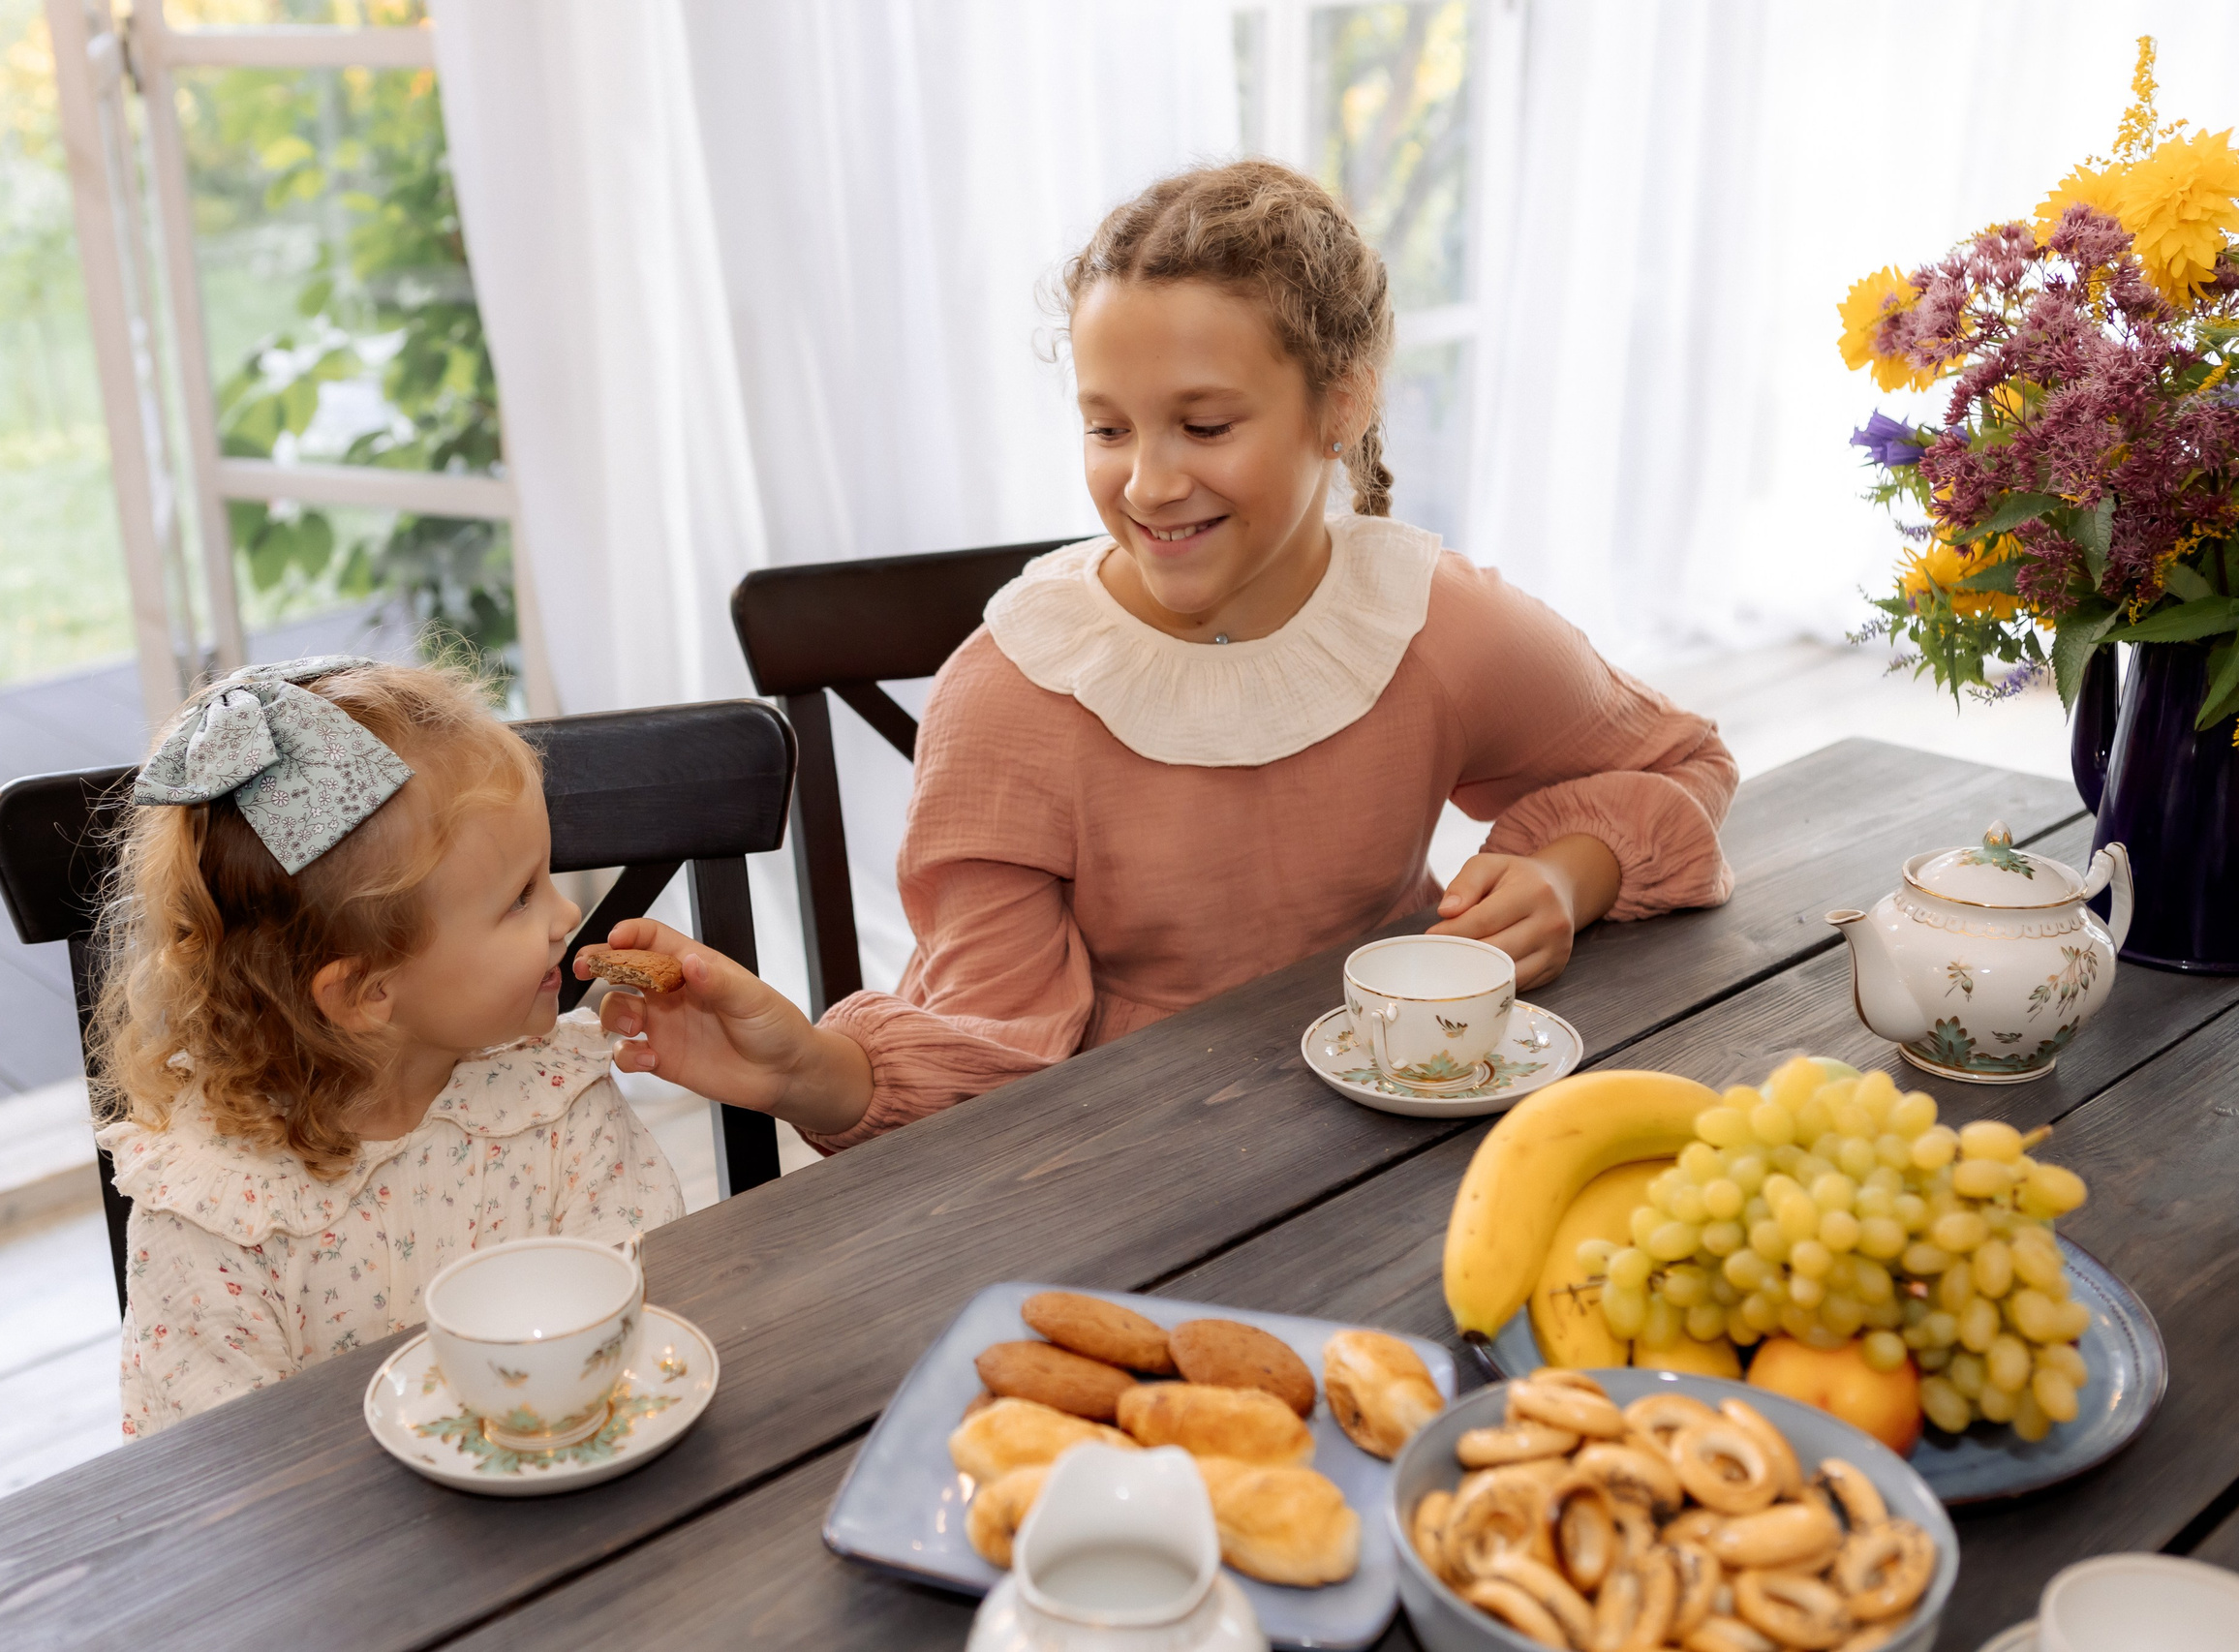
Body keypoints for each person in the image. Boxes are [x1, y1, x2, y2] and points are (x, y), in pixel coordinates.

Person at [586, 159, 1736, 1153]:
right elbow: (991, 1052)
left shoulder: (1432, 623)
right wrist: (805, 1068)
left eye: (1204, 424)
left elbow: (1682, 761)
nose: (1145, 482)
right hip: (1119, 1159)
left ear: (1339, 406)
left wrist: (1567, 875)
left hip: (1410, 1132)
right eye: (1107, 426)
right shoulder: (1012, 694)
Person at [91, 658, 682, 1437]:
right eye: (519, 898)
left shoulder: (552, 1095)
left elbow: (643, 1304)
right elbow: (222, 1457)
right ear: (366, 993)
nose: (567, 915)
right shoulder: (218, 1210)